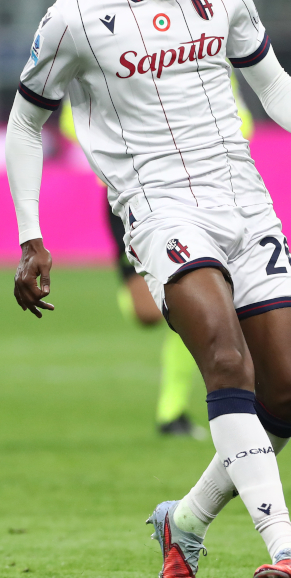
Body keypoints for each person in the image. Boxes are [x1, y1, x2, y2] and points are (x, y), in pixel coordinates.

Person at [5, 0, 291, 578]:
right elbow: (26, 120)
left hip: (245, 199)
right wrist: (31, 234)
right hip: (158, 206)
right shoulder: (75, 18)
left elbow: (268, 78)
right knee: (225, 360)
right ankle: (288, 551)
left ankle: (187, 520)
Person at [59, 78, 255, 440]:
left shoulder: (206, 54)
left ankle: (172, 413)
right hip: (129, 194)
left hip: (197, 192)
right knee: (147, 313)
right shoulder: (110, 52)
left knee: (198, 300)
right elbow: (72, 121)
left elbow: (241, 118)